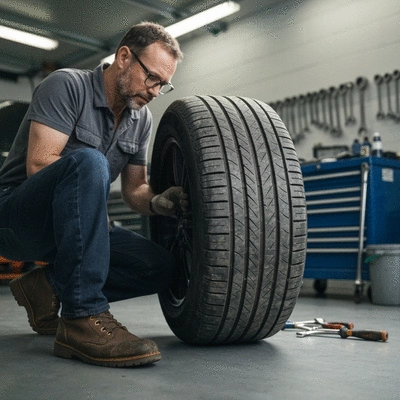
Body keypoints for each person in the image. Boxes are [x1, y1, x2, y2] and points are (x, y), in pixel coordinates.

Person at [0, 22, 188, 368]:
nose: (155, 91)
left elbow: (135, 191)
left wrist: (160, 201)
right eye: (151, 78)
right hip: (16, 218)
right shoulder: (67, 85)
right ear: (123, 57)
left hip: (73, 227)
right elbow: (39, 166)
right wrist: (90, 177)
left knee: (159, 267)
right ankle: (81, 317)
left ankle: (47, 287)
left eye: (163, 84)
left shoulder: (140, 119)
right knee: (88, 160)